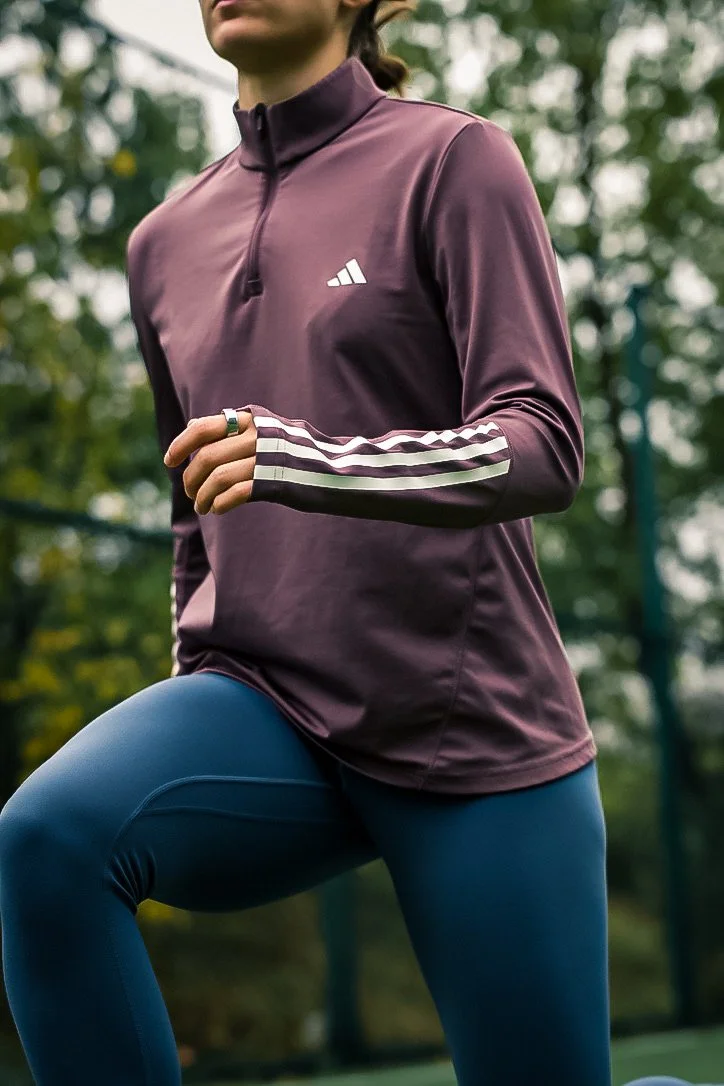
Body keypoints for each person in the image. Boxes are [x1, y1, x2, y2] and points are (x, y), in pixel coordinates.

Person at [0, 3, 686, 1085]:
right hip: (264, 711)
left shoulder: (453, 159)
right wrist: (191, 680)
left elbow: (542, 444)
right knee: (47, 837)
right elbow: (198, 506)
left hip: (469, 726)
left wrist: (311, 461)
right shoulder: (162, 245)